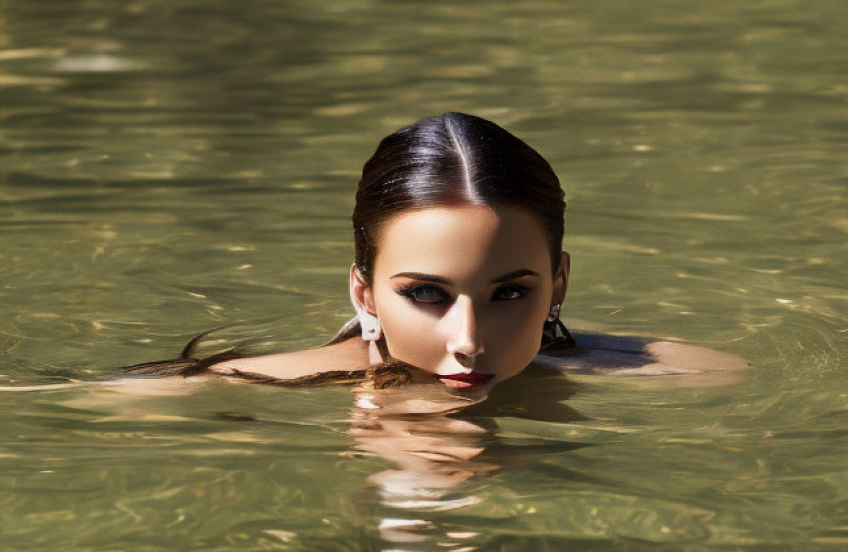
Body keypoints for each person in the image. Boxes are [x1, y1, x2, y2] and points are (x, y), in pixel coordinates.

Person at [124, 112, 747, 398]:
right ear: (363, 294)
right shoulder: (270, 383)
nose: (470, 341)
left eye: (510, 293)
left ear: (558, 282)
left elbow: (726, 369)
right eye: (426, 293)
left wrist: (554, 354)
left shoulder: (563, 364)